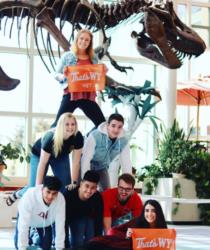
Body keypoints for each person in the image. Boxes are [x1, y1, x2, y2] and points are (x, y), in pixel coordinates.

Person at [6, 112, 83, 205]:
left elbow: (76, 162)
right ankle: (17, 194)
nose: (70, 127)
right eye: (67, 124)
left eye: (72, 124)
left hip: (60, 156)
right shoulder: (50, 138)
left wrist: (74, 182)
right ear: (61, 125)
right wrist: (38, 187)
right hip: (39, 156)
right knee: (33, 188)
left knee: (65, 188)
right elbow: (42, 163)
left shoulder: (78, 137)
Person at [53, 28, 106, 128]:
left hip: (87, 96)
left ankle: (88, 140)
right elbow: (56, 74)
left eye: (87, 40)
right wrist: (64, 76)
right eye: (81, 38)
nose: (83, 41)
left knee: (102, 124)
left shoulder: (93, 58)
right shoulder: (67, 56)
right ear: (77, 40)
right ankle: (43, 143)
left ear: (90, 43)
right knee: (58, 125)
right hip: (71, 94)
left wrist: (102, 71)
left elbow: (95, 76)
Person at [84, 199, 167, 250]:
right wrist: (127, 236)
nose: (149, 214)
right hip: (117, 245)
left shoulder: (163, 229)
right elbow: (112, 231)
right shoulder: (138, 221)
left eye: (153, 211)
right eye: (147, 210)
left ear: (158, 212)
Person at [81, 113, 132, 191]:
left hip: (102, 167)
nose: (116, 130)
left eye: (119, 127)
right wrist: (85, 178)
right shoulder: (95, 135)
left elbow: (126, 162)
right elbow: (86, 159)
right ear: (108, 125)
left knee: (107, 191)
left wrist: (129, 183)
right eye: (113, 126)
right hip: (88, 164)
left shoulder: (123, 141)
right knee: (84, 189)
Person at [14, 176, 65, 250]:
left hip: (45, 221)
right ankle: (32, 234)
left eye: (54, 193)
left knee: (46, 246)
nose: (50, 196)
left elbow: (60, 225)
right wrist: (22, 247)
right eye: (48, 192)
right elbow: (23, 226)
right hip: (29, 218)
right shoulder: (29, 196)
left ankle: (34, 235)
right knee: (18, 245)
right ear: (42, 189)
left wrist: (59, 248)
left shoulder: (60, 199)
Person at [64, 170, 103, 250]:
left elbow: (99, 221)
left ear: (96, 188)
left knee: (91, 240)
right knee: (78, 241)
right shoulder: (69, 194)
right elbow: (64, 221)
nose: (89, 191)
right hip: (73, 218)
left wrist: (98, 243)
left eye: (93, 188)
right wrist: (65, 243)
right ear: (81, 184)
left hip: (89, 217)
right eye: (87, 186)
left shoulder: (97, 197)